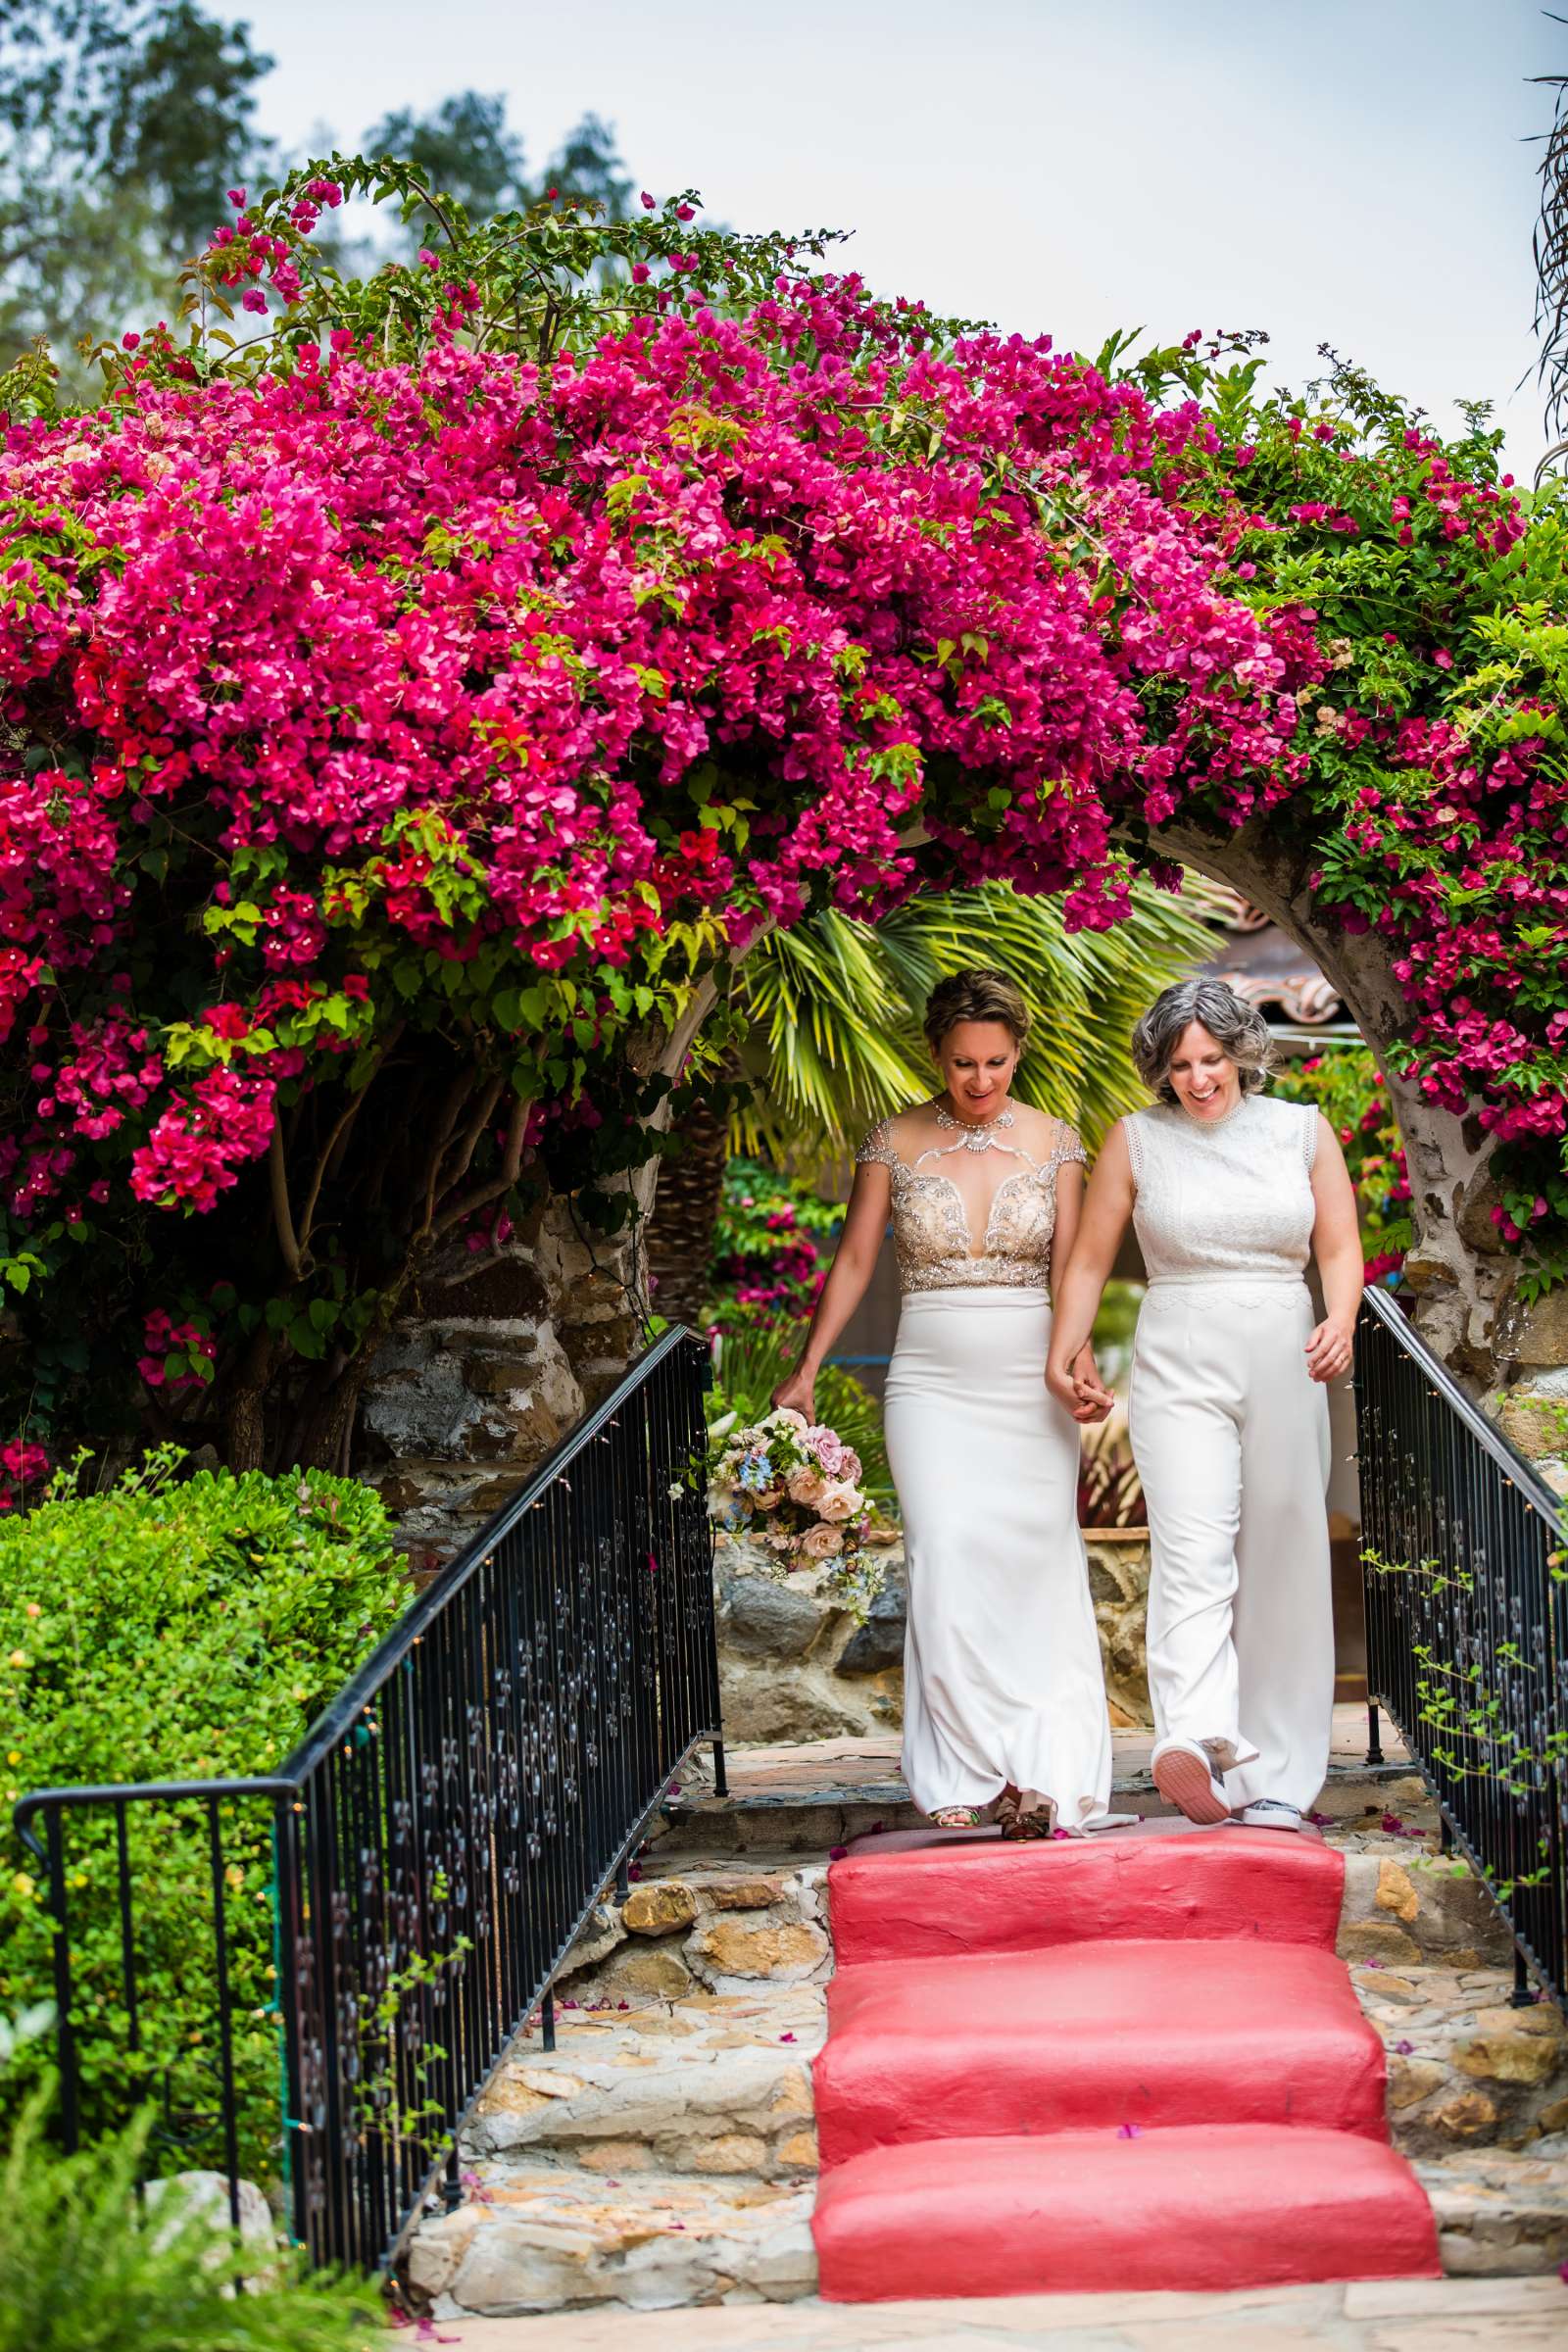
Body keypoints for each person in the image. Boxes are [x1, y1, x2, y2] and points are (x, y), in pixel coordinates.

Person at [772, 968, 1120, 1838]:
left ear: (1017, 1053)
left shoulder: (1058, 1142)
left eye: (996, 1062)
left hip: (1029, 1383)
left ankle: (1043, 1770)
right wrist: (809, 1363)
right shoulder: (892, 1140)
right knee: (946, 1551)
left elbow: (1072, 1269)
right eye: (963, 1062)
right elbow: (855, 1259)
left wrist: (1075, 1361)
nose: (979, 1080)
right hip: (928, 1383)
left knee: (1036, 1565)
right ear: (936, 1054)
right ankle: (965, 1767)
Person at [1047, 978, 1362, 1833]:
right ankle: (1196, 1737)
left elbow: (1338, 1241)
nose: (1197, 1078)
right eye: (1180, 1064)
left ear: (1241, 1053)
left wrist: (1340, 1316)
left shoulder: (1302, 1131)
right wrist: (1065, 1346)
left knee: (1285, 1554)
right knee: (1192, 1548)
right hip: (1179, 1348)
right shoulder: (1136, 1141)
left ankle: (1279, 1780)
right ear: (1160, 1068)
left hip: (1285, 1350)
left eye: (1212, 1059)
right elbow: (1086, 1263)